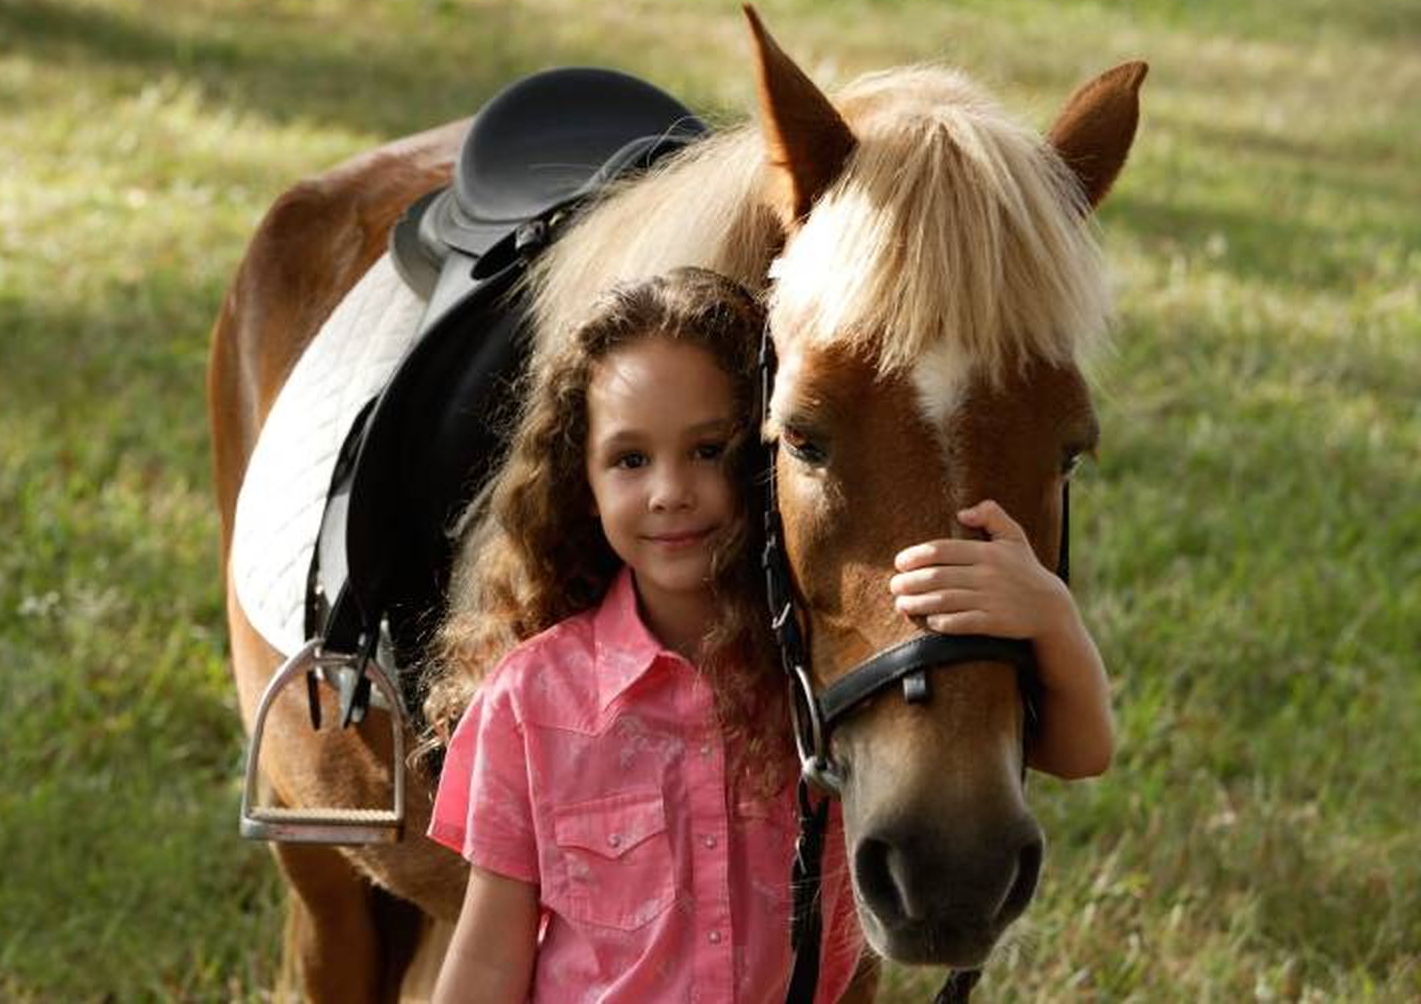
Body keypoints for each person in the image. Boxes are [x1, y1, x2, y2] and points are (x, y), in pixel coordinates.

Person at [425, 266, 1112, 1003]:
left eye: (708, 451)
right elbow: (489, 955)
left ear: (763, 464)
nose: (670, 492)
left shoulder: (812, 674)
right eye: (630, 460)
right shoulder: (530, 701)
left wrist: (1050, 614)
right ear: (582, 483)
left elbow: (1079, 751)